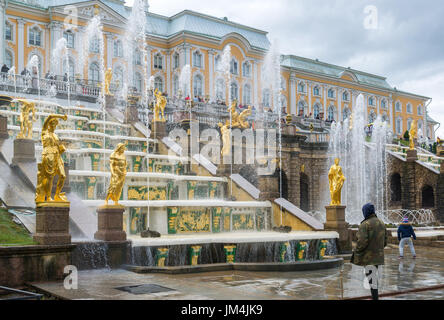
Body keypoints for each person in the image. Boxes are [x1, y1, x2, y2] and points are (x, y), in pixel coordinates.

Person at [351, 203, 387, 300]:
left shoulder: (365, 224)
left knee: (371, 278)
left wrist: (356, 251)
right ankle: (374, 296)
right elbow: (385, 241)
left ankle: (375, 298)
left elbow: (362, 242)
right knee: (372, 277)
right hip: (378, 256)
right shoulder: (381, 223)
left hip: (368, 256)